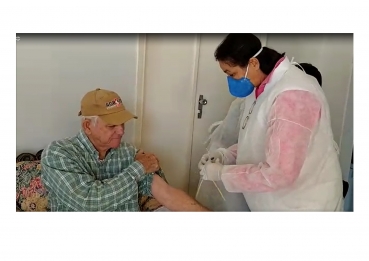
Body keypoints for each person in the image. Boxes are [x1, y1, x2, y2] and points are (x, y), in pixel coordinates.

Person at [198, 33, 343, 211]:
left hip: (302, 206)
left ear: (253, 63)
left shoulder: (293, 97)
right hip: (274, 203)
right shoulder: (260, 87)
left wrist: (222, 173)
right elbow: (259, 140)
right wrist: (225, 155)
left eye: (233, 74)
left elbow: (280, 174)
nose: (231, 81)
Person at [41, 88, 209, 212]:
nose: (121, 131)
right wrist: (138, 169)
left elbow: (166, 193)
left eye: (122, 123)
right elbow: (89, 203)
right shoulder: (58, 153)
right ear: (87, 126)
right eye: (112, 125)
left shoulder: (129, 153)